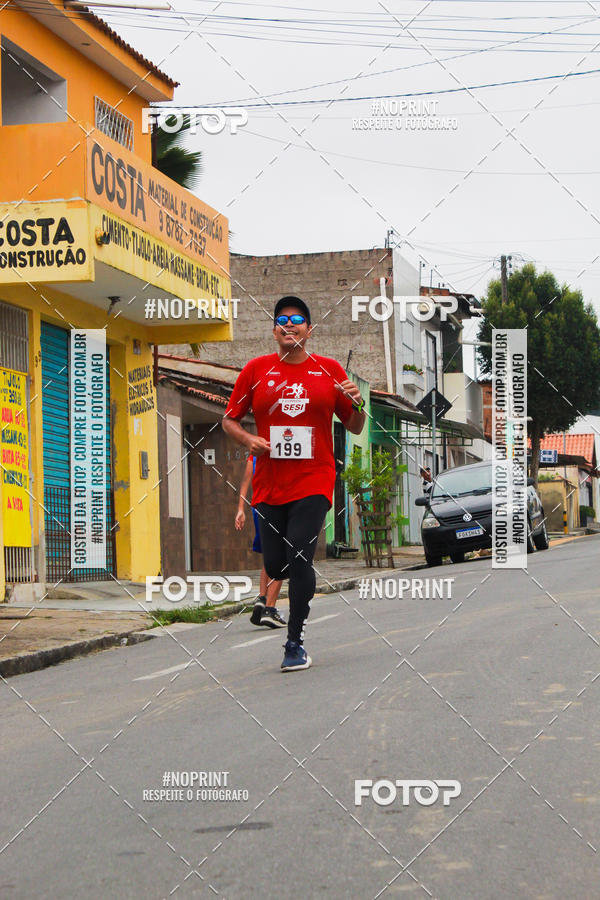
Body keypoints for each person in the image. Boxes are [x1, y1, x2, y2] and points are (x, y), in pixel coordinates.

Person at [222, 295, 366, 671]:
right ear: (274, 330)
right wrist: (248, 440)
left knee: (300, 553)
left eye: (298, 319)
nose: (290, 324)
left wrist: (358, 403)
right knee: (276, 562)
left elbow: (354, 425)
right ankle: (286, 590)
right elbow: (229, 420)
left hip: (314, 479)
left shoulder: (330, 369)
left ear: (309, 330)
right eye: (282, 319)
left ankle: (294, 641)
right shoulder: (256, 370)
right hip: (270, 485)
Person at [235, 454, 285, 628]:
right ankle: (270, 610)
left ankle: (262, 598)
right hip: (278, 507)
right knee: (283, 558)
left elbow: (245, 482)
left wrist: (240, 509)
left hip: (259, 509)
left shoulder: (254, 453)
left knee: (270, 556)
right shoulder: (281, 451)